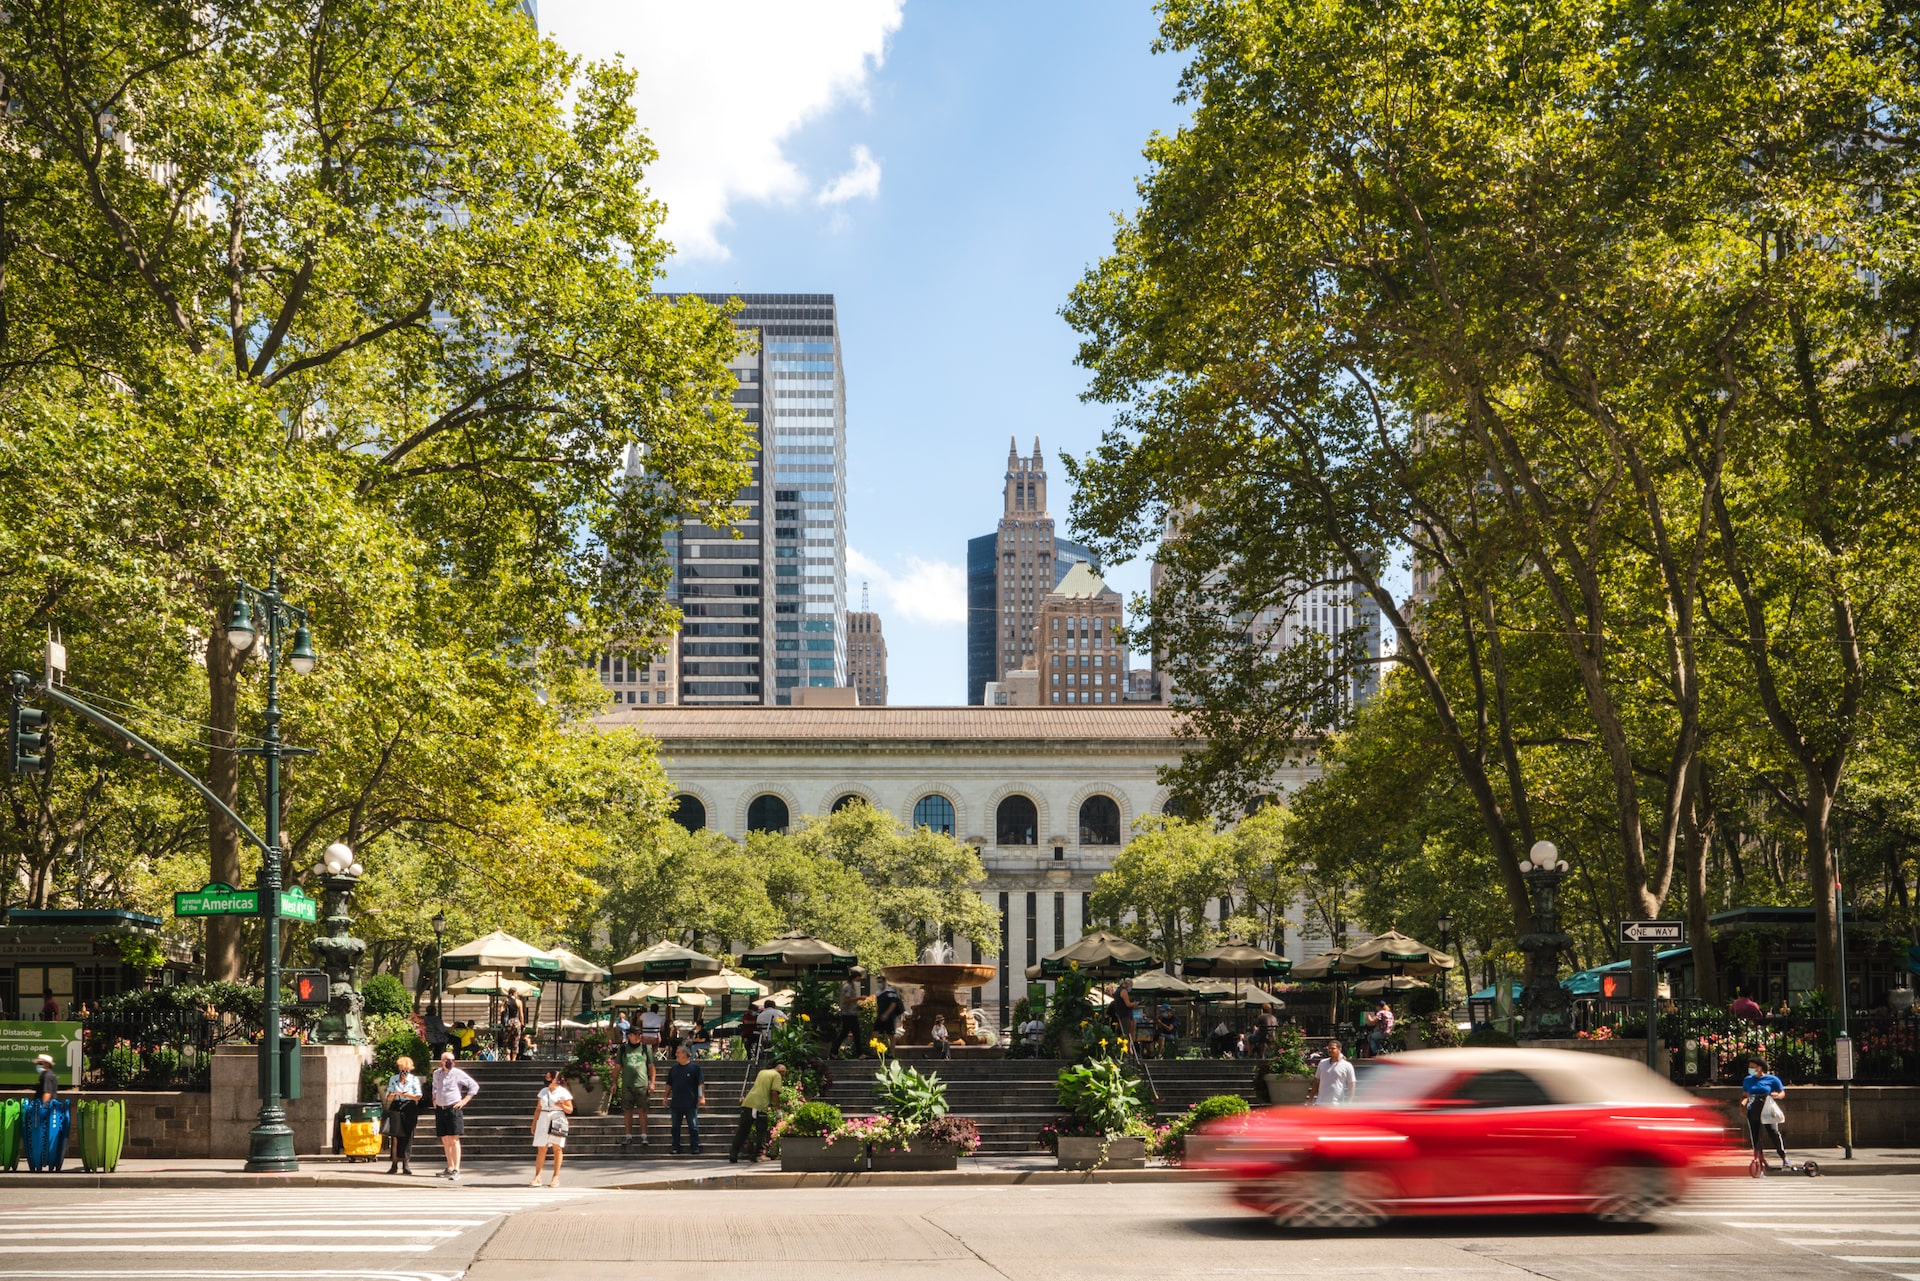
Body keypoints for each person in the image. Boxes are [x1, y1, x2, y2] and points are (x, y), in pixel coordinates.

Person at [431, 1050, 478, 1180]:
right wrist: (434, 1099)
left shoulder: (457, 1073)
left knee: (454, 1139)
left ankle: (456, 1168)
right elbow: (435, 1087)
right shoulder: (436, 1074)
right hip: (441, 1108)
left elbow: (474, 1086)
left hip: (453, 1108)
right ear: (442, 1061)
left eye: (452, 1060)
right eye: (447, 1060)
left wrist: (464, 1101)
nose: (449, 1062)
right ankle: (450, 1167)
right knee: (445, 1139)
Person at [729, 1062, 786, 1163]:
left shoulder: (762, 1072)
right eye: (783, 1074)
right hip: (760, 1105)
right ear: (781, 1072)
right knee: (761, 1131)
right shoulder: (777, 1075)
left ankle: (733, 1154)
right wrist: (778, 1109)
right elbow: (774, 1092)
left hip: (748, 1102)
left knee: (742, 1130)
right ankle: (758, 1155)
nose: (783, 1076)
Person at [1742, 1057, 1789, 1172]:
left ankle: (1784, 1157)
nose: (1751, 1069)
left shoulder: (1772, 1079)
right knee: (1756, 1136)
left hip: (1767, 1109)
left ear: (1760, 1067)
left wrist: (1777, 1095)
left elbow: (1782, 1093)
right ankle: (1759, 1160)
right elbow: (1745, 1095)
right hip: (1753, 1109)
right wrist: (1743, 1105)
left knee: (1773, 1132)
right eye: (1750, 1067)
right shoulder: (1748, 1080)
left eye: (1753, 1067)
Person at [529, 1068, 573, 1187]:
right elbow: (538, 1108)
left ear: (555, 1080)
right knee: (541, 1148)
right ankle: (537, 1176)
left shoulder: (563, 1092)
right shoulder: (543, 1091)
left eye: (549, 1077)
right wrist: (534, 1123)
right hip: (543, 1118)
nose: (546, 1079)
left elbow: (570, 1109)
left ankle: (555, 1177)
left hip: (557, 1118)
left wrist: (562, 1105)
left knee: (557, 1148)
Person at [382, 1055, 424, 1175]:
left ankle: (406, 1163)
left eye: (406, 1068)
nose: (403, 1071)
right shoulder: (393, 1079)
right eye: (401, 1068)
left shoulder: (414, 1079)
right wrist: (395, 1093)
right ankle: (394, 1164)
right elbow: (388, 1095)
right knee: (395, 1136)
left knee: (408, 1135)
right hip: (396, 1105)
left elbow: (418, 1095)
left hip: (409, 1107)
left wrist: (408, 1095)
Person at [666, 1044, 706, 1154]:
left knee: (693, 1126)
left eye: (678, 1052)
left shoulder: (695, 1068)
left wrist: (701, 1097)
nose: (676, 1054)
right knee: (675, 1127)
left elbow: (700, 1084)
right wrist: (665, 1097)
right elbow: (669, 1084)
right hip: (676, 1102)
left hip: (690, 1103)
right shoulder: (674, 1069)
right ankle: (676, 1147)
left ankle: (695, 1146)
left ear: (684, 1054)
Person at [619, 1026, 654, 1148]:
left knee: (642, 1111)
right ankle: (628, 1136)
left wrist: (652, 1082)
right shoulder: (623, 1049)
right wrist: (614, 1082)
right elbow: (618, 1067)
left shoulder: (645, 1048)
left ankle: (644, 1136)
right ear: (629, 1035)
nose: (638, 1037)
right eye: (635, 1034)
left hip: (642, 1084)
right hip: (627, 1084)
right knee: (627, 1111)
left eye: (639, 1034)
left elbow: (651, 1066)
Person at [831, 969, 864, 1058]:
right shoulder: (848, 987)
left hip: (852, 1013)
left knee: (849, 1033)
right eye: (858, 979)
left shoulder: (852, 986)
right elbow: (847, 999)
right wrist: (858, 998)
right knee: (851, 1033)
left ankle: (834, 1051)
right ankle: (859, 1053)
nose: (858, 982)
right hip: (848, 1014)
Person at [1314, 1040, 1356, 1106]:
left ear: (1339, 1049)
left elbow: (1352, 1085)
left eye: (1333, 1048)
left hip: (1337, 1104)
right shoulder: (1322, 1063)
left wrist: (1349, 1101)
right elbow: (1316, 1081)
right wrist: (1310, 1098)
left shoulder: (1347, 1065)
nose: (1330, 1050)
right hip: (1320, 1103)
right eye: (1329, 1048)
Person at [874, 982, 905, 1050]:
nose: (879, 984)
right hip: (880, 1017)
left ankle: (892, 1054)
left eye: (880, 982)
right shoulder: (878, 993)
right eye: (878, 982)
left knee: (891, 1035)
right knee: (875, 1033)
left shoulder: (890, 992)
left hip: (889, 1017)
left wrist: (886, 1014)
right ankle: (875, 1052)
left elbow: (893, 1003)